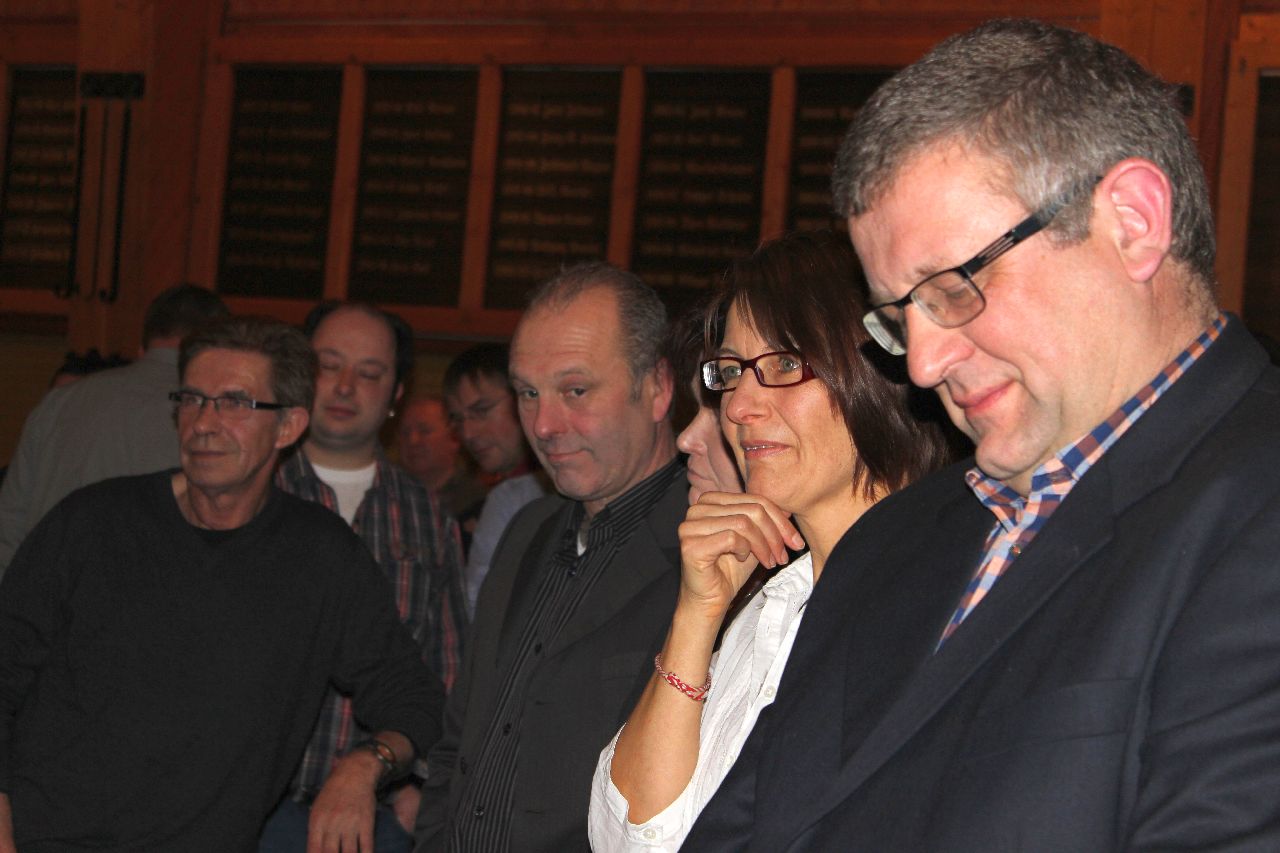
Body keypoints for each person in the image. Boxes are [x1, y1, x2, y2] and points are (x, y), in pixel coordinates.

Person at [682, 19, 1280, 851]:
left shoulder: (1253, 511)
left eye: (955, 287)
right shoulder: (887, 542)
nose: (923, 362)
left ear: (1134, 221)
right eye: (900, 317)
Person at [0, 317, 443, 852]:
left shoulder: (321, 556)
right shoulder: (92, 523)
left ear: (288, 426)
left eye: (235, 403)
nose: (204, 423)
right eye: (192, 400)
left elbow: (413, 696)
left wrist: (364, 766)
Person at [589, 231, 956, 851]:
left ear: (881, 374)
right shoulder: (773, 600)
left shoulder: (947, 593)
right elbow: (624, 839)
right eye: (731, 372)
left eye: (785, 365)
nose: (737, 407)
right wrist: (697, 615)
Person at [413, 262, 685, 852]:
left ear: (657, 388)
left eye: (575, 391)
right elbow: (461, 738)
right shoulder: (526, 530)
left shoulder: (710, 553)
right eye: (528, 393)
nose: (543, 425)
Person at [261, 303, 466, 852]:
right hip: (253, 809)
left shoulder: (426, 515)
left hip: (379, 812)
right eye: (329, 366)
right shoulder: (256, 491)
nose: (346, 386)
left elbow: (449, 665)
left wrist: (423, 781)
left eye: (370, 373)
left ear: (396, 393)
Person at [0, 283, 229, 573]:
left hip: (46, 587)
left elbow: (9, 525)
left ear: (141, 348)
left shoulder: (59, 402)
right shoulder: (218, 417)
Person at [442, 343, 548, 613]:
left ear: (524, 396)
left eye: (481, 410)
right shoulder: (491, 498)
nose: (468, 433)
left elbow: (477, 609)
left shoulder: (517, 495)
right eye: (458, 419)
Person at [397, 395, 487, 529]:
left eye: (424, 431)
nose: (413, 441)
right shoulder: (387, 498)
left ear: (454, 438)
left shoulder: (476, 503)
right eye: (405, 433)